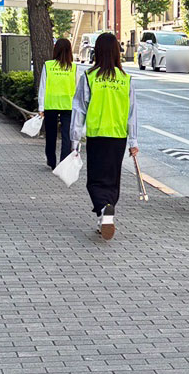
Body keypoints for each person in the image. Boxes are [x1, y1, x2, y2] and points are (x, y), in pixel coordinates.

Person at [70, 32, 139, 239]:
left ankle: (103, 207)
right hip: (118, 136)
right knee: (112, 178)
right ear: (117, 53)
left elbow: (79, 109)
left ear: (97, 52)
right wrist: (133, 141)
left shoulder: (89, 77)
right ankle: (105, 215)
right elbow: (132, 113)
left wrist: (74, 140)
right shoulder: (126, 79)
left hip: (97, 135)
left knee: (95, 179)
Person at [37, 37, 77, 169]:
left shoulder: (48, 66)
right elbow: (77, 88)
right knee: (66, 135)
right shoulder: (73, 68)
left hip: (51, 104)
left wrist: (41, 107)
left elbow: (42, 87)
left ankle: (51, 160)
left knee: (51, 134)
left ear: (56, 50)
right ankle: (64, 161)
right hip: (68, 105)